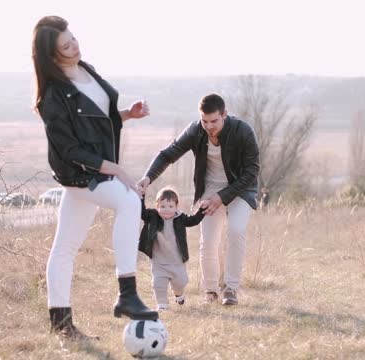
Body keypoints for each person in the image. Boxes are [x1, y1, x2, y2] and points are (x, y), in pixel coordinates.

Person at [32, 15, 158, 339]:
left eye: (73, 39)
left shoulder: (86, 70)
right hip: (82, 176)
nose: (75, 46)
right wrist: (114, 168)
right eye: (66, 45)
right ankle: (127, 293)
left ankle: (61, 326)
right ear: (52, 56)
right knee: (130, 201)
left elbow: (96, 122)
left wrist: (128, 114)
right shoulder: (53, 98)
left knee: (64, 248)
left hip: (96, 173)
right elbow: (70, 148)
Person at [137, 93, 260, 306]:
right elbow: (168, 154)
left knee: (236, 231)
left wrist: (223, 197)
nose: (209, 126)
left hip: (239, 188)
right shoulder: (196, 130)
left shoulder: (243, 131)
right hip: (209, 190)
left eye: (214, 121)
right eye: (205, 121)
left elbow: (252, 171)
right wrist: (148, 178)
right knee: (209, 241)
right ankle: (211, 291)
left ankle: (231, 288)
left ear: (225, 115)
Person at [139, 187, 207, 311]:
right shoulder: (152, 216)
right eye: (163, 206)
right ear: (157, 206)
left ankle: (178, 294)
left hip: (177, 261)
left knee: (180, 282)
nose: (166, 210)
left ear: (176, 207)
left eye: (170, 206)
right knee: (158, 284)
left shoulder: (180, 218)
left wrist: (201, 209)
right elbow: (141, 212)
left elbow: (194, 220)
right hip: (159, 261)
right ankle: (162, 305)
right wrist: (141, 197)